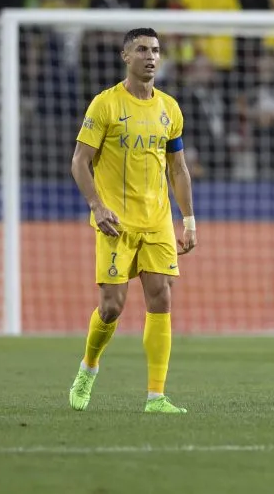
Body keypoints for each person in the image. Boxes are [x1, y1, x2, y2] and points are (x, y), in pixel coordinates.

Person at [68, 28, 196, 415]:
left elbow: (178, 167)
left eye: (155, 50)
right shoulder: (105, 105)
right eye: (141, 49)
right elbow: (79, 162)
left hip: (157, 221)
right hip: (115, 223)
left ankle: (156, 396)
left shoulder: (170, 109)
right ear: (126, 56)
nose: (150, 56)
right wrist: (97, 205)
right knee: (112, 307)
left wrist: (188, 220)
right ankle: (88, 369)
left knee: (161, 298)